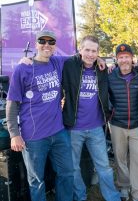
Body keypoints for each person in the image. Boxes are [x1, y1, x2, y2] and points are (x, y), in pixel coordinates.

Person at [6, 30, 73, 201]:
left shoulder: (57, 62)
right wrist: (14, 134)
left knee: (66, 173)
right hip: (33, 137)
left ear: (55, 46)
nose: (47, 45)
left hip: (59, 132)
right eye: (42, 41)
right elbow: (12, 103)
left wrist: (101, 60)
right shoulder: (23, 68)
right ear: (36, 44)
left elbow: (83, 58)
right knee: (36, 181)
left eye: (51, 42)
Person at [62, 35, 120, 201]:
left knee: (104, 167)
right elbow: (47, 57)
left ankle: (112, 197)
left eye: (94, 51)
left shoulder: (101, 69)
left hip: (96, 128)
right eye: (87, 50)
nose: (90, 54)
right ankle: (80, 196)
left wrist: (101, 60)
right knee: (73, 168)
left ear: (98, 53)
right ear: (80, 50)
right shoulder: (69, 65)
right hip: (73, 128)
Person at [108, 44, 138, 201]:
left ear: (132, 58)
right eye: (121, 57)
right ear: (117, 60)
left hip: (137, 125)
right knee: (120, 158)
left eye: (127, 57)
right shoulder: (109, 76)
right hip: (117, 125)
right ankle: (124, 186)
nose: (124, 60)